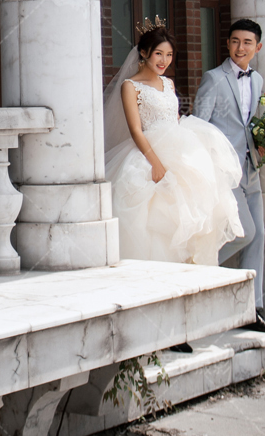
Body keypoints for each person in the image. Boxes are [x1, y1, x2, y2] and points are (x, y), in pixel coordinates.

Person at [103, 24, 244, 269]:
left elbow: (173, 117)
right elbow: (136, 130)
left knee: (193, 209)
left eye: (169, 55)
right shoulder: (130, 86)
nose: (164, 61)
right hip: (149, 153)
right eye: (158, 54)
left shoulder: (168, 83)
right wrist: (156, 164)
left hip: (179, 150)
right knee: (154, 217)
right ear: (144, 52)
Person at [193, 18, 265, 334]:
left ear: (258, 47)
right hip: (224, 171)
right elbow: (198, 125)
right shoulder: (214, 79)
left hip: (251, 168)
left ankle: (252, 310)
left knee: (259, 237)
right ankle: (197, 270)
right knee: (246, 233)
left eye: (247, 42)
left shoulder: (257, 80)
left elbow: (255, 122)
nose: (240, 48)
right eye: (235, 41)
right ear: (228, 44)